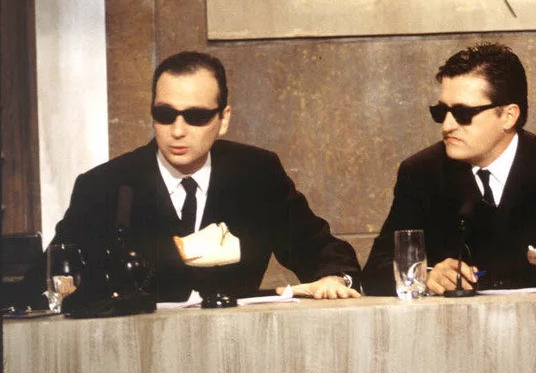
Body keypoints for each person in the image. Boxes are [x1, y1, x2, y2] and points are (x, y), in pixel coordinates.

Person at [25, 51, 361, 304]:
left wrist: (334, 278)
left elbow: (319, 249)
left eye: (196, 116)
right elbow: (44, 281)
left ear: (223, 119)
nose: (177, 130)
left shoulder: (257, 173)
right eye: (165, 114)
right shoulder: (103, 186)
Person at [361, 43, 536, 295]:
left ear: (509, 116)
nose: (447, 125)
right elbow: (375, 271)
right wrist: (427, 275)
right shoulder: (421, 172)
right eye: (441, 112)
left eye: (463, 113)